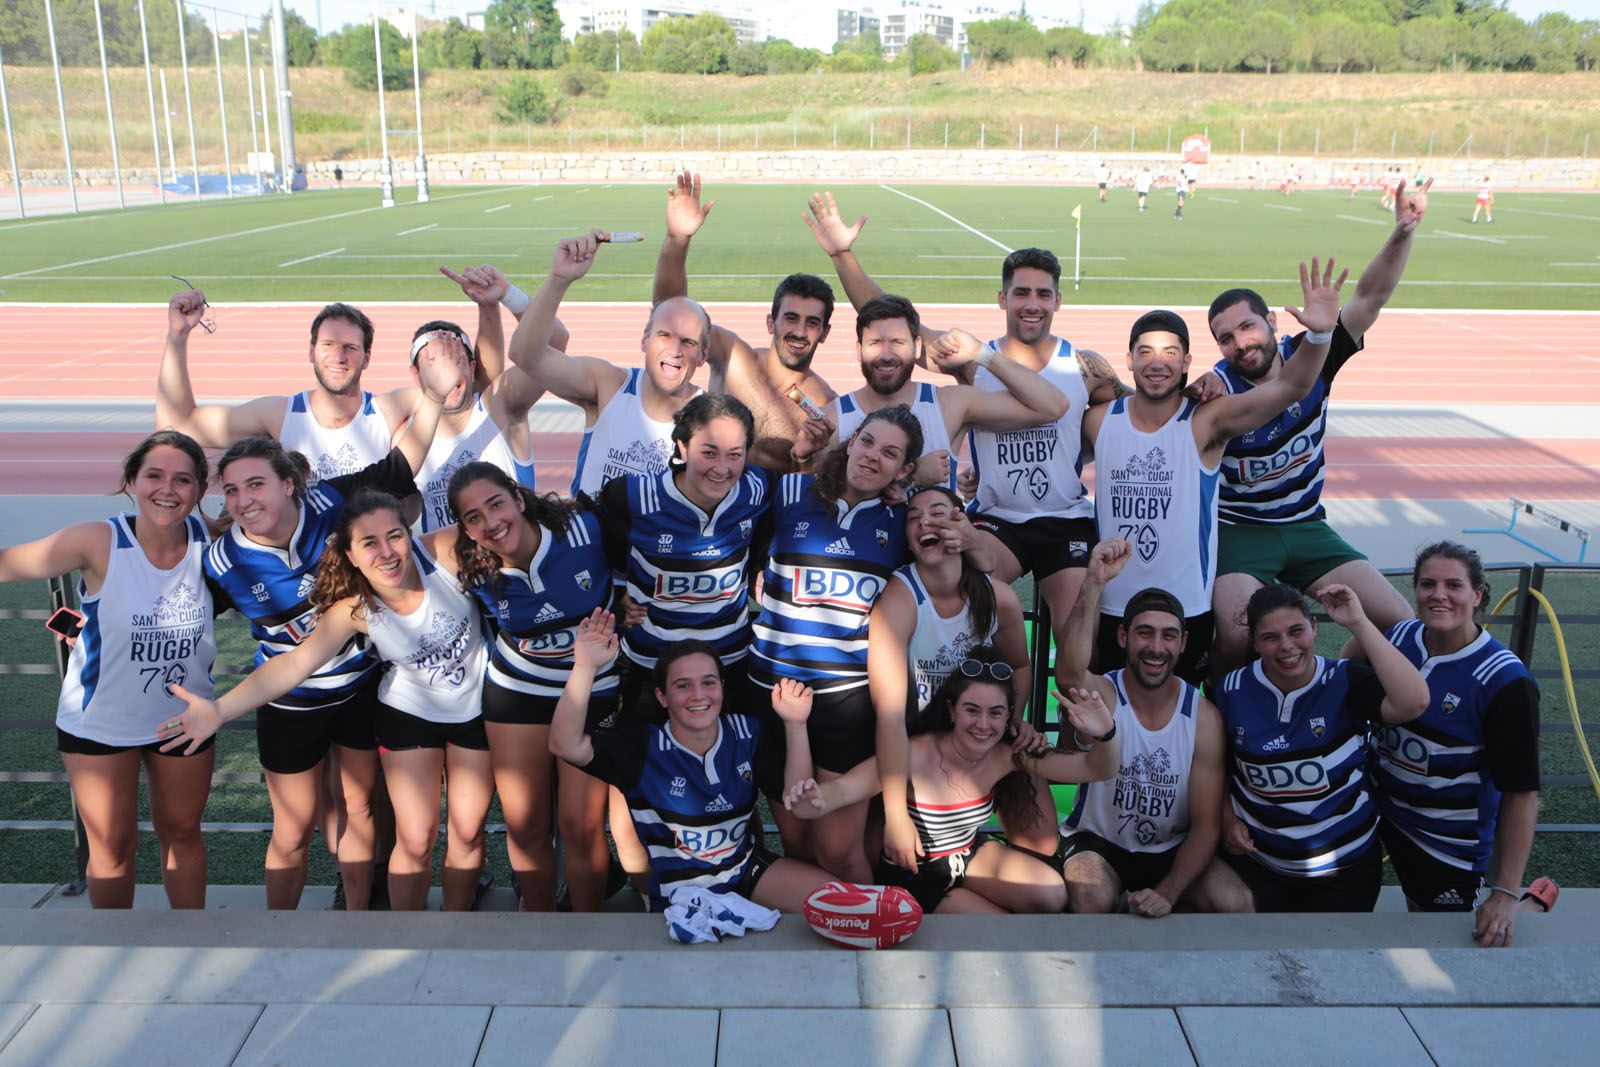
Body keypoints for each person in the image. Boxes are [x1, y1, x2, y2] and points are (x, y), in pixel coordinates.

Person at [197, 360, 457, 909]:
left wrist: (432, 397)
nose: (244, 501)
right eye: (232, 490)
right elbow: (169, 601)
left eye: (257, 485)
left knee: (360, 810)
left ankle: (356, 919)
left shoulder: (332, 503)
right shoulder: (221, 562)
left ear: (290, 483)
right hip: (290, 702)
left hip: (361, 686)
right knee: (292, 829)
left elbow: (397, 466)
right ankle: (282, 935)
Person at [164, 489, 495, 912]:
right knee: (415, 839)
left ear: (410, 534)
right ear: (351, 555)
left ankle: (455, 929)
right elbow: (294, 663)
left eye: (395, 536)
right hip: (410, 715)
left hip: (473, 710)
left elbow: (506, 530)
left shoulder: (443, 552)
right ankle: (405, 937)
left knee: (468, 833)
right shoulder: (354, 608)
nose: (387, 552)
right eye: (369, 543)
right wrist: (221, 709)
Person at [1193, 179, 1430, 681]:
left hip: (1306, 525)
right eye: (1226, 338)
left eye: (1248, 327)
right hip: (1241, 533)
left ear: (1273, 323)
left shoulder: (1316, 352)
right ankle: (1214, 716)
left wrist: (1404, 231)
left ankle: (1334, 687)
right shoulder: (1216, 393)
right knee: (1237, 636)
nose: (1240, 343)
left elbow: (1372, 294)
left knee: (1400, 623)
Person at [1084, 255, 1346, 685]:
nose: (1157, 362)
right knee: (1105, 714)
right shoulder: (1098, 421)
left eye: (1170, 353)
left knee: (1184, 714)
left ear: (1188, 362)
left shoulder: (1208, 420)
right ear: (1128, 361)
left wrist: (1319, 334)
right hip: (1114, 604)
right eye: (1145, 352)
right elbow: (1047, 434)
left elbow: (1291, 386)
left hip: (1188, 608)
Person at [0, 432, 215, 909]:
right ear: (131, 481)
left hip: (184, 720)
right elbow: (8, 564)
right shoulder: (98, 541)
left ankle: (189, 943)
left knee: (183, 833)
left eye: (183, 479)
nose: (168, 489)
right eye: (154, 476)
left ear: (200, 489)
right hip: (99, 722)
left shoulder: (211, 539)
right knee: (113, 849)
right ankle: (113, 948)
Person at [784, 649, 1119, 914]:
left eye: (996, 713)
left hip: (966, 856)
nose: (983, 725)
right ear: (951, 709)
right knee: (998, 937)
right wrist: (803, 757)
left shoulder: (1006, 755)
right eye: (971, 710)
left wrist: (1105, 733)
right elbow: (837, 793)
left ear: (1008, 716)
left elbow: (1096, 769)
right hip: (916, 876)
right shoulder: (915, 752)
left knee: (1051, 895)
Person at [550, 612, 836, 913]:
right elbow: (564, 744)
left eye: (708, 682)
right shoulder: (642, 746)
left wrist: (795, 724)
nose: (698, 695)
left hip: (743, 870)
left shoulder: (746, 733)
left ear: (722, 688)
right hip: (680, 892)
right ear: (662, 697)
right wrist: (584, 667)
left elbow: (798, 796)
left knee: (842, 900)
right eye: (683, 685)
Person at [748, 405, 926, 881]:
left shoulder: (905, 520)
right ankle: (823, 948)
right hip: (771, 690)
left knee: (839, 852)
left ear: (904, 470)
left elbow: (967, 555)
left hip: (845, 704)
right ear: (850, 442)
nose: (872, 457)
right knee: (797, 842)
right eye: (866, 442)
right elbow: (719, 485)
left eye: (890, 454)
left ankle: (872, 941)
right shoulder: (788, 491)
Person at [446, 462, 616, 911]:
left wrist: (632, 602)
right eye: (473, 517)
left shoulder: (584, 527)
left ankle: (585, 932)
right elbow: (396, 551)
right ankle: (539, 931)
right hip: (518, 689)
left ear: (519, 500)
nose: (490, 522)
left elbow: (642, 560)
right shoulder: (470, 561)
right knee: (524, 825)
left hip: (594, 688)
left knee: (582, 825)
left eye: (496, 504)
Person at [1367, 542, 1553, 945]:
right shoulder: (1399, 636)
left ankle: (1530, 900)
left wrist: (1503, 892)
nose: (1439, 595)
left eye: (1454, 585)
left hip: (1445, 841)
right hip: (1383, 813)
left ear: (1478, 594)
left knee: (1446, 938)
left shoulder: (1505, 682)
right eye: (1427, 584)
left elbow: (1521, 793)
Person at [1053, 539, 1248, 916]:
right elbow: (1069, 674)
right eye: (1144, 633)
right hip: (1100, 842)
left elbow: (1207, 825)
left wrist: (1168, 893)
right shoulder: (1106, 695)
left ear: (1183, 643)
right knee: (1090, 897)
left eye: (1168, 635)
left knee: (1235, 903)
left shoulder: (1204, 716)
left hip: (1169, 848)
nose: (1155, 647)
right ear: (1123, 637)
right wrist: (1093, 583)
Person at [1218, 583, 1429, 912]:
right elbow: (1215, 766)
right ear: (1255, 644)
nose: (1286, 646)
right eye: (1270, 637)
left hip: (1345, 871)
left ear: (1314, 628)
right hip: (1261, 867)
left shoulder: (1344, 681)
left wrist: (1358, 622)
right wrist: (1225, 817)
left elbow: (1414, 702)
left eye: (1296, 630)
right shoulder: (1231, 690)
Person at [867, 485, 1042, 871]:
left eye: (938, 512)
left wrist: (1010, 722)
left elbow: (1021, 665)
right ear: (909, 541)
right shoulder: (900, 600)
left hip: (977, 743)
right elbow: (891, 715)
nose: (924, 521)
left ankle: (969, 857)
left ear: (963, 525)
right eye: (913, 517)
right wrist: (895, 815)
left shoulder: (998, 597)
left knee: (1041, 844)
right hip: (919, 751)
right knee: (886, 859)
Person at [509, 230, 711, 497]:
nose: (675, 350)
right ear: (645, 340)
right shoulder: (609, 385)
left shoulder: (710, 418)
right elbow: (526, 354)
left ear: (703, 355)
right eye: (664, 335)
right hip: (588, 538)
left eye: (688, 342)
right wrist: (559, 279)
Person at [651, 171, 839, 458]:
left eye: (812, 323)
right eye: (790, 318)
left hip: (765, 503)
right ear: (770, 322)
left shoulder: (826, 405)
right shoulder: (734, 356)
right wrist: (678, 240)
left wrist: (801, 457)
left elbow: (815, 488)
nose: (800, 331)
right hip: (704, 495)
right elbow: (670, 313)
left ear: (825, 333)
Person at [406, 313, 544, 533]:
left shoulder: (500, 408)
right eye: (434, 363)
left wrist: (497, 302)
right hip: (448, 565)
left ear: (472, 369)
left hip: (512, 560)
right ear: (416, 375)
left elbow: (549, 348)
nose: (447, 373)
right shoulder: (404, 433)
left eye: (456, 360)